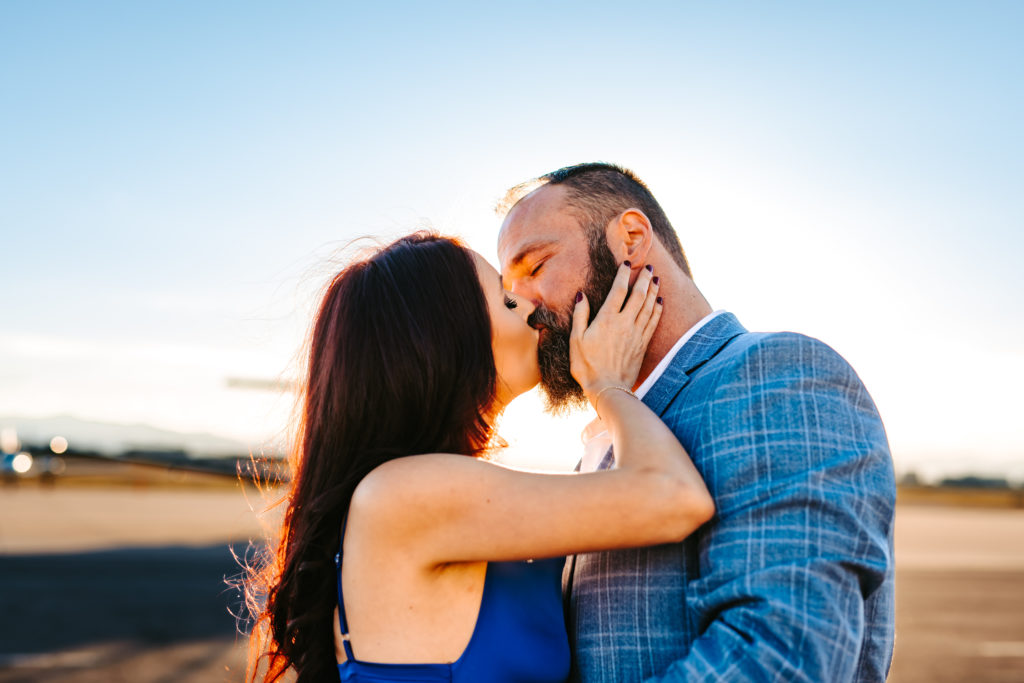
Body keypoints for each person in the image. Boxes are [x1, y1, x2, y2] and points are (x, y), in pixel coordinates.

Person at [246, 232, 714, 683]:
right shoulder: (405, 493)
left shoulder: (429, 492)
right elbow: (674, 496)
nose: (531, 306)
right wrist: (607, 385)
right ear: (445, 340)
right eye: (508, 301)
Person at [497, 163, 896, 682]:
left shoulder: (777, 374)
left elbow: (781, 659)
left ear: (632, 240)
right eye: (508, 287)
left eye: (535, 266)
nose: (523, 305)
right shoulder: (609, 435)